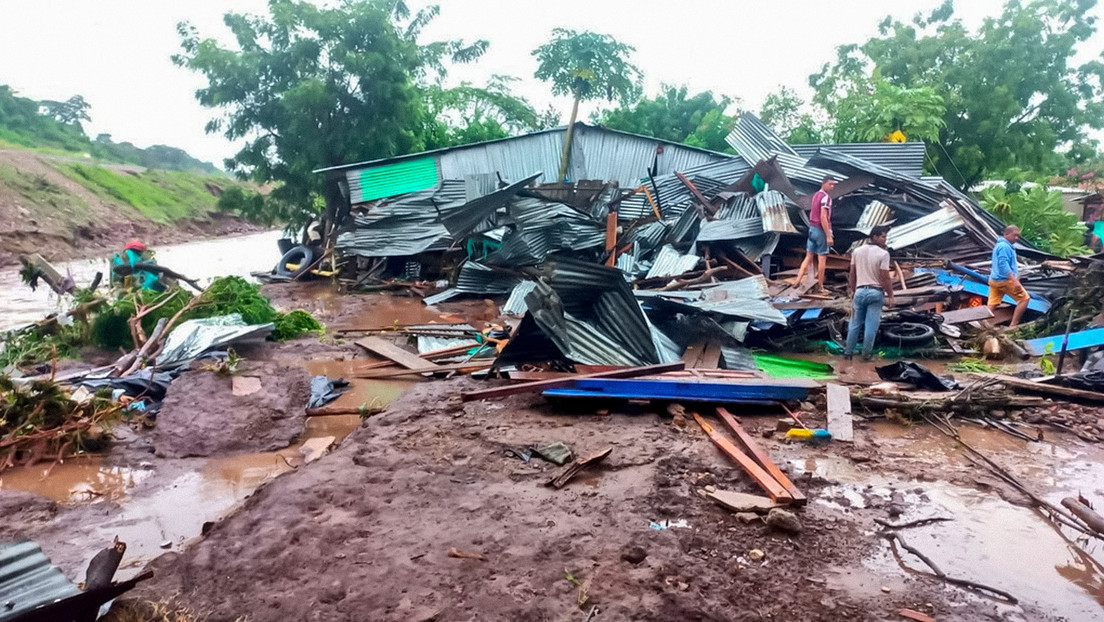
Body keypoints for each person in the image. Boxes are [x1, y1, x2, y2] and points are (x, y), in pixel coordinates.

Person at [845, 225, 895, 361]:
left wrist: (853, 290)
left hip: (860, 291)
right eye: (883, 236)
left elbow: (852, 273)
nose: (885, 239)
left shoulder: (857, 251)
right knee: (870, 326)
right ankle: (866, 356)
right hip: (875, 292)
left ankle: (848, 353)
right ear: (875, 237)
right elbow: (885, 276)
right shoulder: (883, 254)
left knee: (854, 324)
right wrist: (890, 295)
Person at [791, 176, 836, 292]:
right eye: (830, 184)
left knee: (808, 256)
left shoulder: (816, 195)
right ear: (823, 183)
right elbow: (823, 217)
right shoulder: (826, 198)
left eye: (833, 184)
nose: (832, 187)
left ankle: (797, 280)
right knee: (822, 259)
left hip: (812, 229)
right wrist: (828, 235)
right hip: (820, 230)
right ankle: (820, 287)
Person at [988, 225, 1030, 329]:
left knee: (993, 303)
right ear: (1006, 234)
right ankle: (1013, 325)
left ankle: (982, 324)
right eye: (1014, 235)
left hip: (995, 279)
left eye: (1018, 236)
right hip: (1004, 280)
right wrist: (1014, 280)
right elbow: (1003, 265)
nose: (1016, 238)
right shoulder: (1004, 247)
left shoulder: (1000, 245)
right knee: (1025, 299)